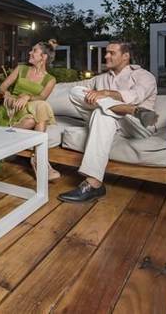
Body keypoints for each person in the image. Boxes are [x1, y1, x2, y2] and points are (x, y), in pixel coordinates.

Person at [58, 41, 159, 203]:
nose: (106, 56)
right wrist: (45, 87)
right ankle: (94, 184)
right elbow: (75, 88)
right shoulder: (102, 78)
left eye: (112, 53)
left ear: (125, 56)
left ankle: (134, 112)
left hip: (138, 125)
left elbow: (136, 96)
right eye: (106, 52)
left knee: (101, 110)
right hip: (117, 120)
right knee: (78, 93)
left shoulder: (144, 76)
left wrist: (104, 93)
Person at [0, 40, 61, 181]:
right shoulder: (21, 69)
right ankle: (39, 160)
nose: (29, 53)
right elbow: (2, 87)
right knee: (40, 109)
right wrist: (7, 94)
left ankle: (36, 158)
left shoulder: (50, 80)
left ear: (44, 57)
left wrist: (27, 96)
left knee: (33, 118)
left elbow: (42, 97)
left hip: (30, 109)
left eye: (34, 51)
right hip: (11, 108)